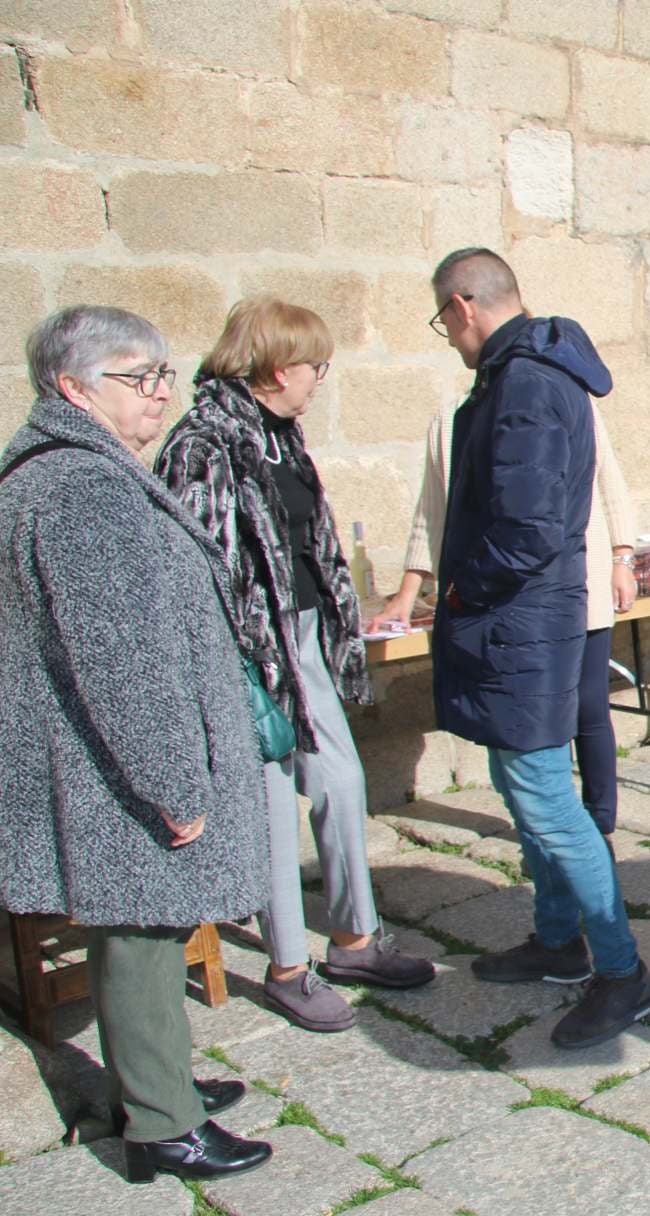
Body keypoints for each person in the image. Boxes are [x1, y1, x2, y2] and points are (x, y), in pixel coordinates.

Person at [0, 307, 272, 1182]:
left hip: (96, 763)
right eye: (137, 375)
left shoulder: (73, 471)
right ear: (72, 387)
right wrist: (174, 783)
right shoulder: (78, 485)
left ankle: (156, 1084)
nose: (160, 392)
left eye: (164, 373)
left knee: (144, 927)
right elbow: (121, 659)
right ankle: (161, 1124)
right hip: (111, 769)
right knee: (144, 933)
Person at [157, 297, 434, 1034]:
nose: (321, 379)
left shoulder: (282, 432)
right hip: (248, 654)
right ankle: (286, 968)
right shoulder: (202, 444)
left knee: (341, 782)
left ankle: (354, 940)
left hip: (305, 638)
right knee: (273, 808)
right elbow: (195, 568)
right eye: (317, 367)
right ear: (279, 369)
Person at [426, 248, 650, 1048]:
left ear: (463, 306)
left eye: (442, 321)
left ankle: (624, 975)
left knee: (548, 804)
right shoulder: (524, 373)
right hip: (524, 622)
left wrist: (462, 591)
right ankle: (559, 941)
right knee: (523, 784)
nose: (447, 336)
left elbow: (525, 530)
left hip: (520, 620)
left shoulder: (524, 382)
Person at [371, 383, 641, 838]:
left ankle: (600, 819)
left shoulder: (571, 402)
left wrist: (623, 559)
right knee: (529, 715)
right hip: (509, 600)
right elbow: (431, 510)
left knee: (589, 704)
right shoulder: (451, 418)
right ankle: (545, 819)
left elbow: (608, 481)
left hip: (583, 578)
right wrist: (405, 594)